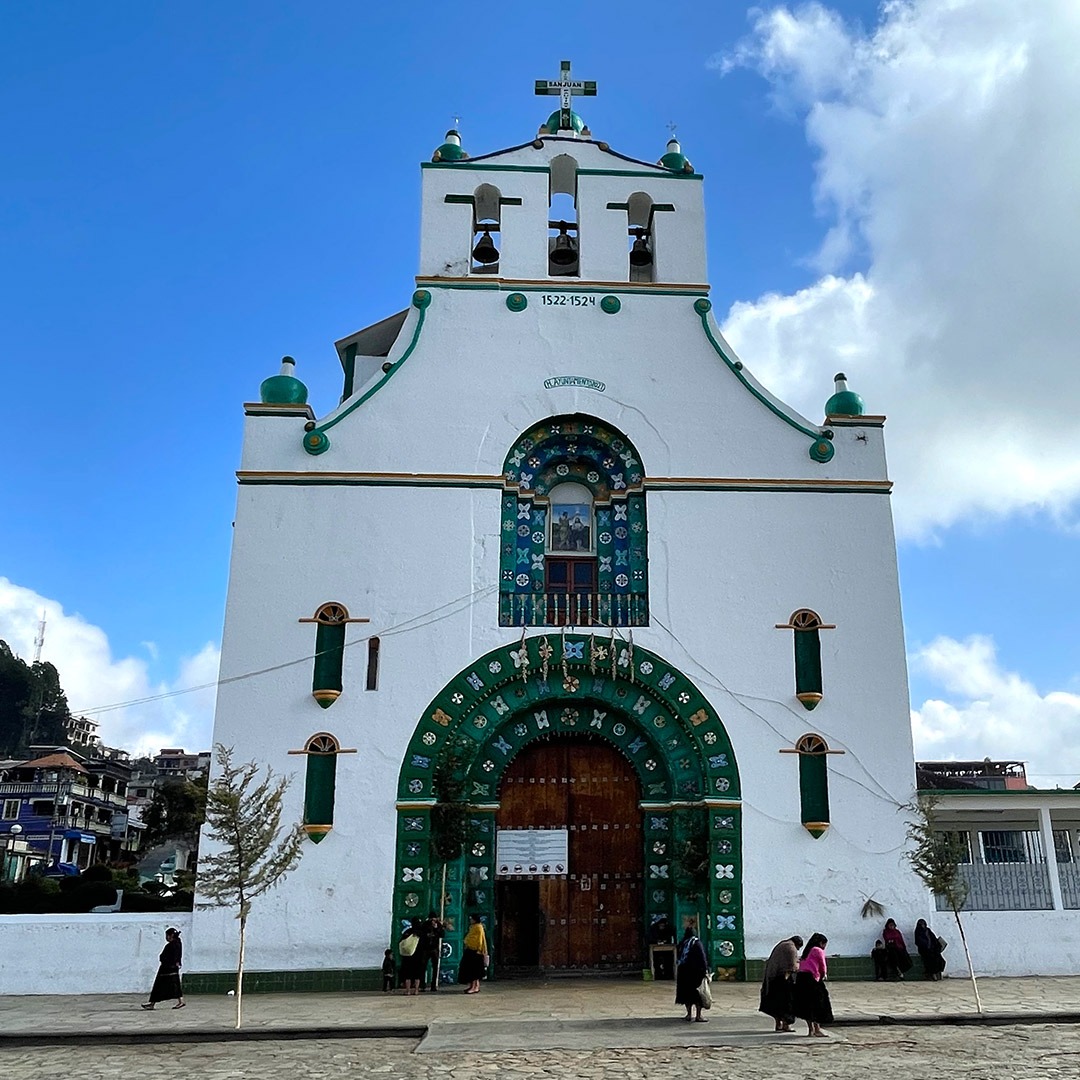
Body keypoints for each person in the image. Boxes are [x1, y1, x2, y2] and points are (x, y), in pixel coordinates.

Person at [759, 935, 803, 1032]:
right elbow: (793, 966)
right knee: (787, 1004)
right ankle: (786, 1025)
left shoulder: (781, 945)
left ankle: (778, 1024)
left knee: (776, 1004)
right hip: (784, 980)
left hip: (773, 978)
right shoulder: (791, 948)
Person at [793, 932, 832, 1037]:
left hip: (801, 978)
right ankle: (817, 1029)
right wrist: (823, 976)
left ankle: (810, 1030)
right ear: (821, 943)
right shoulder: (818, 950)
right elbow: (822, 966)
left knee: (806, 1005)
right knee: (818, 1004)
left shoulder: (807, 951)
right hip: (811, 978)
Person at [142, 927, 185, 1010]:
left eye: (167, 936)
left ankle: (152, 1004)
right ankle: (181, 1001)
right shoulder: (178, 943)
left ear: (171, 935)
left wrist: (163, 959)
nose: (166, 938)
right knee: (175, 985)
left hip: (166, 968)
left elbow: (165, 957)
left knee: (158, 986)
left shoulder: (171, 945)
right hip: (173, 968)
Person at [675, 924, 710, 1022]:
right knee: (698, 994)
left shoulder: (682, 943)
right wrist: (706, 971)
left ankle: (689, 1014)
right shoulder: (696, 943)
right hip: (695, 973)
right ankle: (698, 1015)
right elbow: (702, 958)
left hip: (684, 972)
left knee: (687, 994)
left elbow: (679, 956)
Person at [459, 914, 488, 995]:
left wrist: (478, 949)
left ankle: (475, 987)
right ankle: (473, 986)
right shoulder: (473, 927)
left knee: (474, 971)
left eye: (471, 919)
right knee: (470, 970)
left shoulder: (478, 927)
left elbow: (479, 940)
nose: (470, 920)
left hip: (475, 951)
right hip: (470, 950)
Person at [398, 917, 425, 995]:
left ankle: (408, 990)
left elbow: (402, 942)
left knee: (408, 975)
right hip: (419, 956)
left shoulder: (408, 932)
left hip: (408, 957)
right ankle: (416, 990)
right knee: (417, 974)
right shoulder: (421, 933)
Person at [419, 911, 445, 991]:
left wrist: (436, 928)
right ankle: (422, 985)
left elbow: (442, 935)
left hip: (434, 948)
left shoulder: (438, 925)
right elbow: (421, 934)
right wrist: (427, 934)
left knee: (435, 967)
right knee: (423, 967)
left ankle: (433, 985)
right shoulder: (425, 924)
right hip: (426, 948)